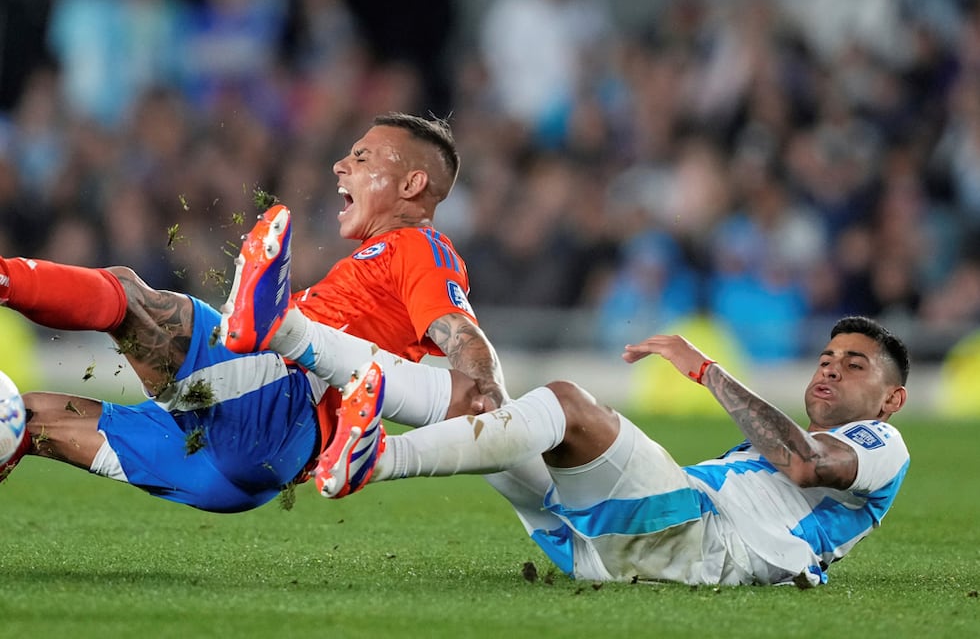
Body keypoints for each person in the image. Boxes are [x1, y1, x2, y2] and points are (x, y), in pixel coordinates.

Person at [0, 112, 506, 513]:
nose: (340, 165)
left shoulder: (419, 246)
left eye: (362, 156)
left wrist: (491, 402)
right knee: (30, 419)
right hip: (246, 472)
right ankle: (260, 316)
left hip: (276, 400)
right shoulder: (379, 260)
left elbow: (460, 333)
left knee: (130, 297)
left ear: (412, 184)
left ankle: (8, 278)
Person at [310, 315, 910, 587]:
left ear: (892, 400)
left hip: (707, 543)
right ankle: (291, 336)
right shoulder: (782, 446)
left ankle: (373, 457)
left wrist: (705, 371)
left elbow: (804, 462)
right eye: (825, 360)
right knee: (478, 400)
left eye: (853, 366)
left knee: (566, 404)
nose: (830, 372)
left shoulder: (882, 442)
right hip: (626, 549)